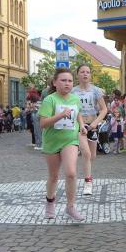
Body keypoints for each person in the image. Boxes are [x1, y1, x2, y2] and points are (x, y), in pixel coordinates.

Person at [39, 68, 86, 221]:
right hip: (52, 141)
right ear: (55, 82)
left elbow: (78, 113)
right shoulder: (50, 100)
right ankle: (50, 202)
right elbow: (43, 123)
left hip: (70, 140)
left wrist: (82, 125)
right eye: (63, 80)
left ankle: (70, 207)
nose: (67, 83)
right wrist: (60, 115)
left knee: (71, 173)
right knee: (53, 176)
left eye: (70, 81)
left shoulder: (75, 99)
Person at [72, 64, 108, 195]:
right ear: (77, 74)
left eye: (87, 72)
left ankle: (86, 170)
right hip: (79, 126)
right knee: (86, 153)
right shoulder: (73, 91)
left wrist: (95, 123)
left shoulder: (96, 91)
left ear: (90, 75)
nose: (85, 74)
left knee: (92, 156)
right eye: (82, 72)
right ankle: (88, 182)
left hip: (93, 125)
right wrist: (81, 124)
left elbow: (104, 109)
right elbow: (74, 109)